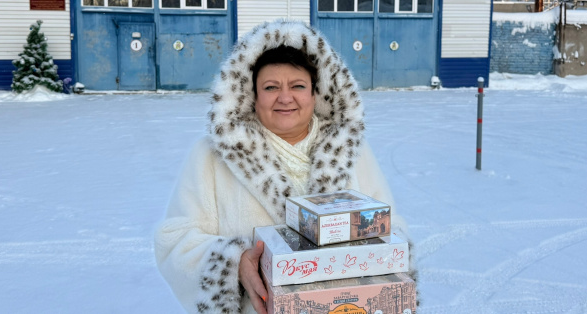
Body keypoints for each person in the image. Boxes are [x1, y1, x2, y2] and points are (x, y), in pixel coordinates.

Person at [154, 20, 410, 313]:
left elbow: (393, 228)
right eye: (271, 87)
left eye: (298, 86)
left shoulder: (351, 151)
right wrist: (234, 264)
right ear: (253, 95)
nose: (285, 98)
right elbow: (174, 240)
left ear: (315, 94)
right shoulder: (212, 156)